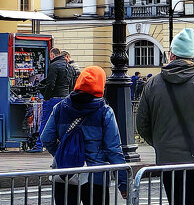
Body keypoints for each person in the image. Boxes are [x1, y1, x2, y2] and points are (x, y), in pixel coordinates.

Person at [136, 29, 194, 205]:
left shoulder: (153, 84)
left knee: (175, 200)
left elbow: (142, 124)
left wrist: (161, 144)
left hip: (167, 159)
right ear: (193, 56)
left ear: (172, 54)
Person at [40, 66, 128, 204]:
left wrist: (63, 154)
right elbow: (114, 150)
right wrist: (123, 183)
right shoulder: (105, 112)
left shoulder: (60, 108)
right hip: (95, 175)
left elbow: (46, 138)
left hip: (65, 173)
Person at [33, 48, 75, 153]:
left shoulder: (53, 66)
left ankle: (39, 145)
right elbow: (71, 84)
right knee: (63, 123)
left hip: (53, 98)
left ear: (52, 55)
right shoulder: (69, 67)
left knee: (45, 121)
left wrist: (46, 97)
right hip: (65, 98)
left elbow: (51, 84)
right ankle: (64, 145)